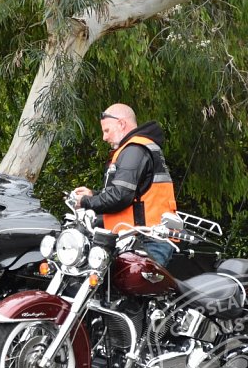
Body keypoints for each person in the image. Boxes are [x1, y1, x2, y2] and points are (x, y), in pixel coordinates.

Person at [72, 103, 178, 266]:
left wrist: (86, 202)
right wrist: (93, 194)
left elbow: (121, 196)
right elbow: (132, 194)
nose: (104, 137)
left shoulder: (135, 149)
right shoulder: (137, 147)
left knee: (137, 289)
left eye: (107, 131)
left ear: (121, 124)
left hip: (146, 240)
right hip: (138, 239)